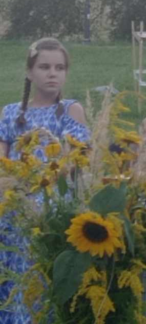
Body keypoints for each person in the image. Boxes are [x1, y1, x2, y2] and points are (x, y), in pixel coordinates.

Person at [0, 39, 90, 324]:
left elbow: (77, 160)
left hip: (53, 197)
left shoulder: (70, 110)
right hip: (15, 194)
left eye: (59, 68)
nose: (53, 73)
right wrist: (13, 184)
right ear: (29, 72)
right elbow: (2, 161)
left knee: (35, 232)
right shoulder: (11, 113)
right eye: (45, 67)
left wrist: (39, 182)